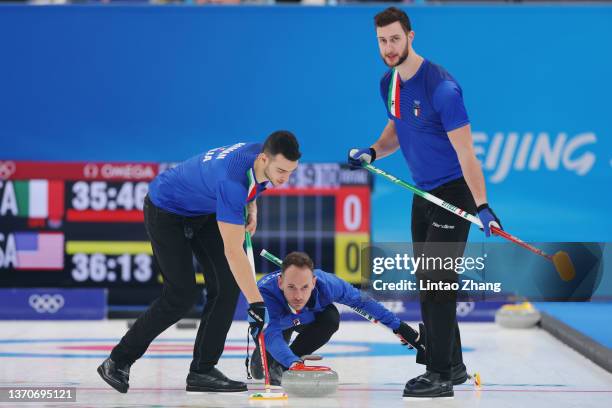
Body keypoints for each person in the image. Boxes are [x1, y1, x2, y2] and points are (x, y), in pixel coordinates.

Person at [348, 7, 502, 400]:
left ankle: (439, 376)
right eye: (382, 41)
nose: (389, 47)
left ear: (411, 37)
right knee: (429, 282)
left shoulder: (442, 89)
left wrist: (482, 205)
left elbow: (467, 154)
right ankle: (453, 364)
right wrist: (372, 151)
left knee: (437, 282)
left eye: (395, 39)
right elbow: (396, 130)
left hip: (454, 194)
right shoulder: (389, 83)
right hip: (424, 195)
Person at [97, 131, 301, 394]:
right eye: (282, 170)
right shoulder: (232, 182)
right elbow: (233, 251)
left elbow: (253, 184)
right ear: (263, 158)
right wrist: (257, 304)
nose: (285, 178)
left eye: (291, 172)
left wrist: (251, 207)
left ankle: (202, 371)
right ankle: (117, 361)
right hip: (166, 210)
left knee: (227, 286)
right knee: (180, 296)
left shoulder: (258, 157)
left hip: (202, 210)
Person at [249, 251, 425, 386]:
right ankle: (271, 358)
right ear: (280, 283)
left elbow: (364, 302)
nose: (298, 296)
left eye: (304, 287)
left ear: (314, 282)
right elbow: (270, 335)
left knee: (330, 318)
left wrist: (399, 327)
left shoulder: (329, 284)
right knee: (261, 369)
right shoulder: (263, 294)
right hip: (279, 321)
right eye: (291, 287)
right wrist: (290, 360)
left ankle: (282, 365)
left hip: (309, 318)